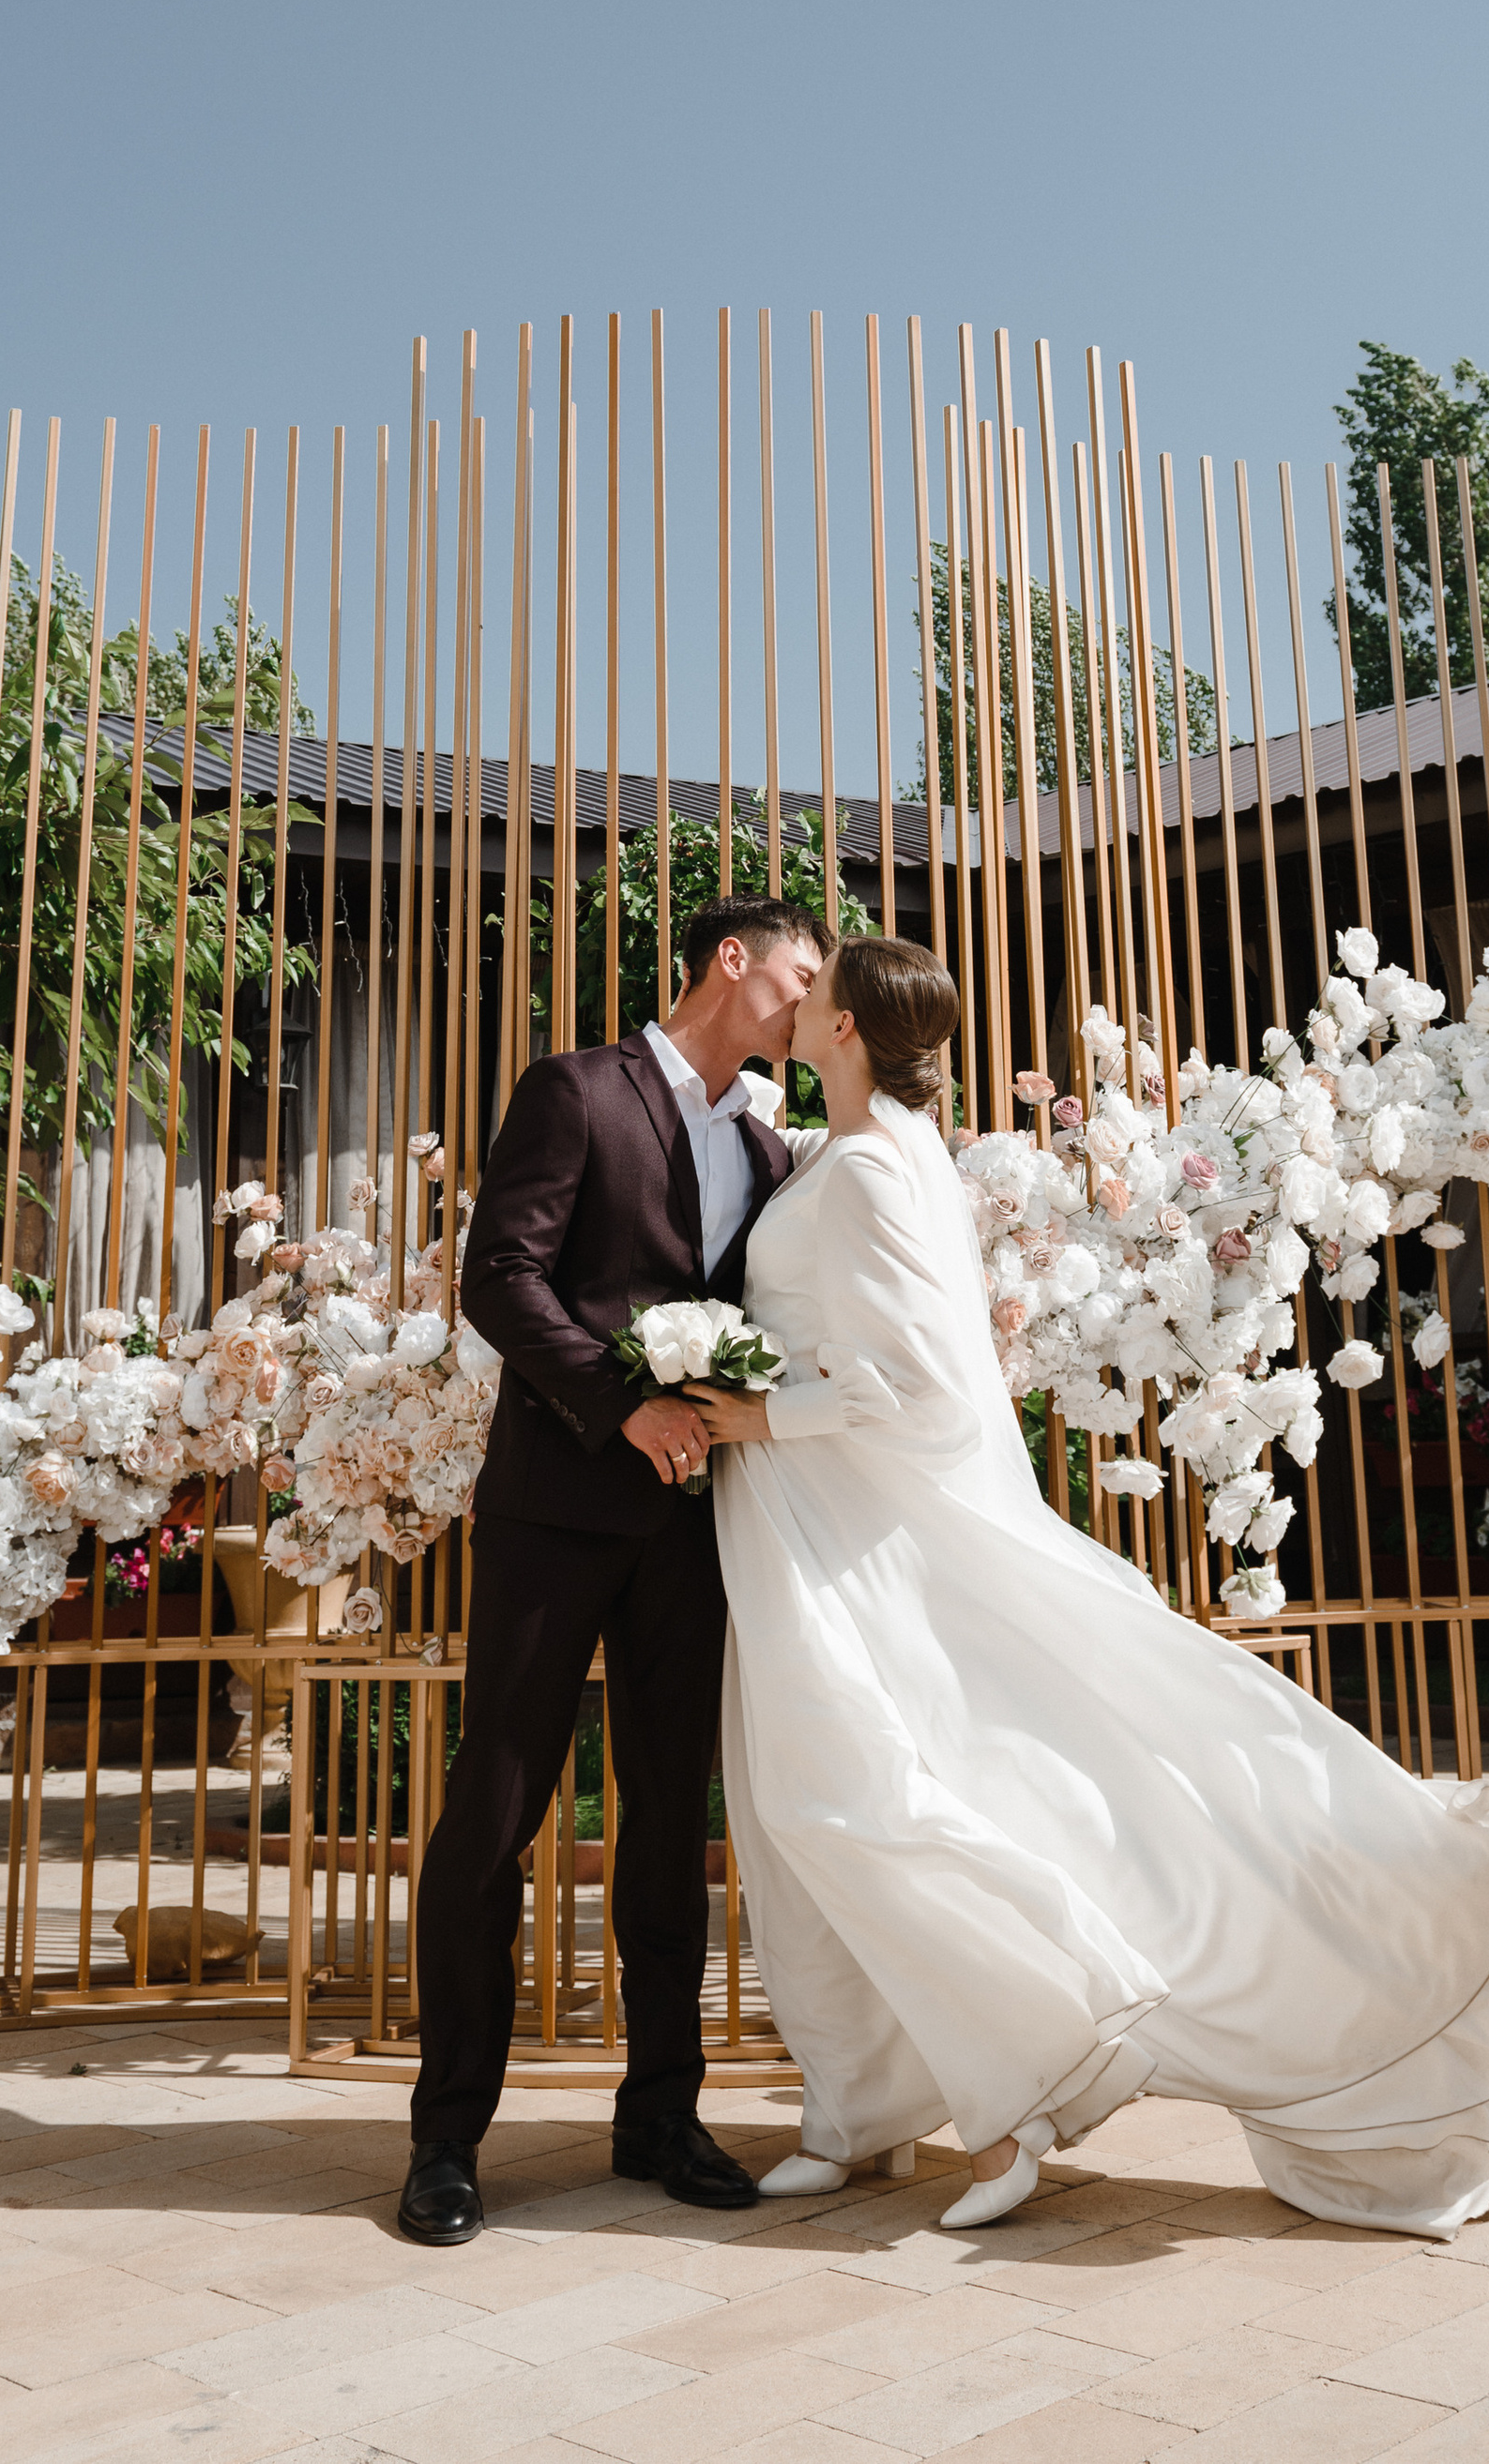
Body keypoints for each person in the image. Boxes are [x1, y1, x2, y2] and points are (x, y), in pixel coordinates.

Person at [696, 935, 1489, 2239]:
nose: (793, 1003)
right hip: (809, 1523)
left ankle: (1009, 2105)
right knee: (813, 1808)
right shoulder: (869, 1151)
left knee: (852, 1800)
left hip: (845, 1530)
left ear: (850, 1025)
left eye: (815, 992)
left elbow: (915, 1389)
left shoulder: (870, 1167)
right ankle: (856, 2112)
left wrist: (747, 1414)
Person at [398, 895, 828, 2250]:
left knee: (665, 1830)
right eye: (804, 975)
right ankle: (446, 2138)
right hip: (553, 1512)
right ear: (734, 959)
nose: (814, 1005)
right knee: (496, 1808)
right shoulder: (579, 1088)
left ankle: (661, 2113)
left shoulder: (766, 1147)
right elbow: (500, 1276)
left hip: (694, 1525)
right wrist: (619, 1398)